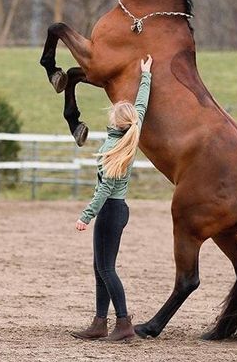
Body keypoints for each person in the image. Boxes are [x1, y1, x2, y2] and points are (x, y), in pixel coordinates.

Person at [71, 54, 153, 342]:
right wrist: (146, 75)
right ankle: (99, 322)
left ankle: (123, 323)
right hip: (118, 210)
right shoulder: (132, 131)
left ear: (116, 122)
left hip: (109, 210)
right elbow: (140, 106)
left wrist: (85, 215)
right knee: (101, 267)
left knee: (106, 268)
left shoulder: (113, 147)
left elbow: (104, 188)